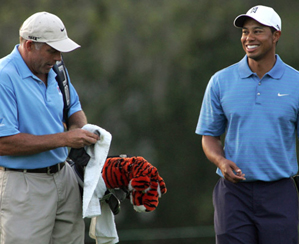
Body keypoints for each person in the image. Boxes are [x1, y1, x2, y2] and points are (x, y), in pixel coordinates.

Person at [196, 5, 299, 244]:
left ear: (276, 35)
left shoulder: (296, 83)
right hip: (233, 195)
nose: (249, 38)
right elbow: (209, 136)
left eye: (258, 31)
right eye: (245, 32)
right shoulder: (220, 81)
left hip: (280, 193)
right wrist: (221, 161)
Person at [0, 12, 99, 243]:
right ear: (29, 45)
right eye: (52, 50)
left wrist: (84, 134)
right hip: (22, 185)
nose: (58, 57)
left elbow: (73, 107)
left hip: (64, 177)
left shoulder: (56, 68)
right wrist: (65, 139)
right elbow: (3, 142)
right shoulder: (4, 76)